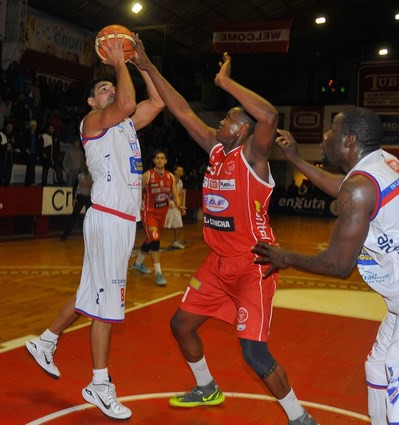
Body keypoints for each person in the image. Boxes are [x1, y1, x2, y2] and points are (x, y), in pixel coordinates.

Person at [251, 108, 399, 425]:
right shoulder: (381, 163)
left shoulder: (360, 185)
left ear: (349, 140)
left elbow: (339, 264)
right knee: (378, 368)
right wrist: (295, 159)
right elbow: (344, 187)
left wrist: (284, 257)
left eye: (332, 131)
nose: (325, 136)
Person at [133, 37, 316, 425]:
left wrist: (225, 82)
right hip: (217, 264)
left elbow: (269, 115)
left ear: (245, 129)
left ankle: (299, 417)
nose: (222, 122)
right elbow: (182, 109)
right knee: (180, 324)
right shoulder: (216, 150)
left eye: (230, 118)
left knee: (254, 353)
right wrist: (147, 65)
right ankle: (206, 387)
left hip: (253, 266)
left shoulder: (254, 156)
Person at [24, 34, 164, 420]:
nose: (110, 90)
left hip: (120, 221)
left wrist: (142, 64)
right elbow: (128, 102)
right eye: (103, 89)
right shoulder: (93, 122)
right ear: (91, 101)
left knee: (92, 294)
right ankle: (100, 384)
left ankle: (46, 341)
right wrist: (118, 63)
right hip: (108, 219)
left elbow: (157, 102)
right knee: (107, 305)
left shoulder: (125, 126)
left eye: (111, 87)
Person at [132, 150, 185, 286]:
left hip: (162, 214)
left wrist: (179, 205)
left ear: (166, 161)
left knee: (150, 239)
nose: (160, 160)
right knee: (155, 240)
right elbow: (136, 193)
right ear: (154, 160)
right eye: (157, 158)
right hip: (148, 213)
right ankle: (159, 273)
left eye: (162, 158)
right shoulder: (147, 175)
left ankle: (138, 263)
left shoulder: (170, 176)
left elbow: (175, 194)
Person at [60, 166, 92, 241]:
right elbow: (74, 187)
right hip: (80, 197)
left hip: (88, 198)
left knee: (89, 218)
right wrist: (73, 198)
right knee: (73, 217)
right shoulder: (79, 176)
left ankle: (89, 237)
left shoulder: (92, 176)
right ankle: (64, 235)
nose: (87, 167)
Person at [164, 164, 186, 249]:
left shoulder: (180, 183)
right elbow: (164, 191)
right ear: (175, 171)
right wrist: (167, 202)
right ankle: (153, 241)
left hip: (175, 205)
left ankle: (176, 242)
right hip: (166, 204)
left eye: (181, 171)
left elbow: (179, 195)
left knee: (179, 224)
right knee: (162, 225)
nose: (179, 172)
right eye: (178, 170)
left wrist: (180, 206)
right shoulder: (169, 179)